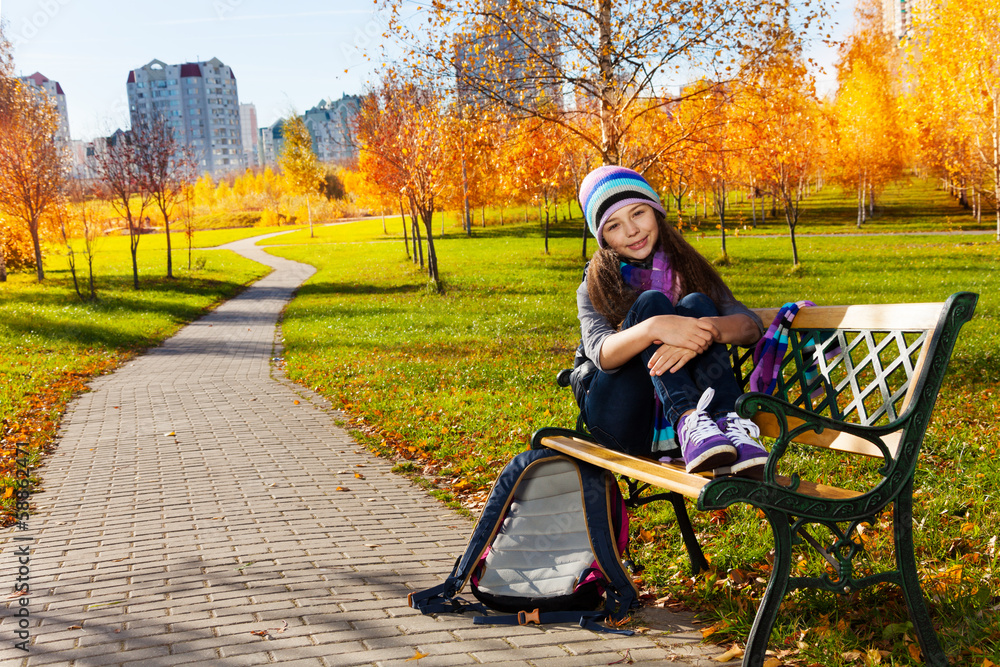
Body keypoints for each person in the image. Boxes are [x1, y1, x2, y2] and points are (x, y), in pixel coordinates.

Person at [574, 166, 767, 478]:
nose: (632, 230)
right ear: (603, 238)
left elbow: (750, 325)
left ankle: (728, 424)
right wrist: (654, 327)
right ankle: (687, 420)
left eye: (638, 213)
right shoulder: (595, 283)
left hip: (706, 431)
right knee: (651, 303)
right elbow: (602, 354)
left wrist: (703, 333)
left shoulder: (688, 269)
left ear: (656, 212)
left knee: (697, 304)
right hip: (622, 418)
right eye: (614, 225)